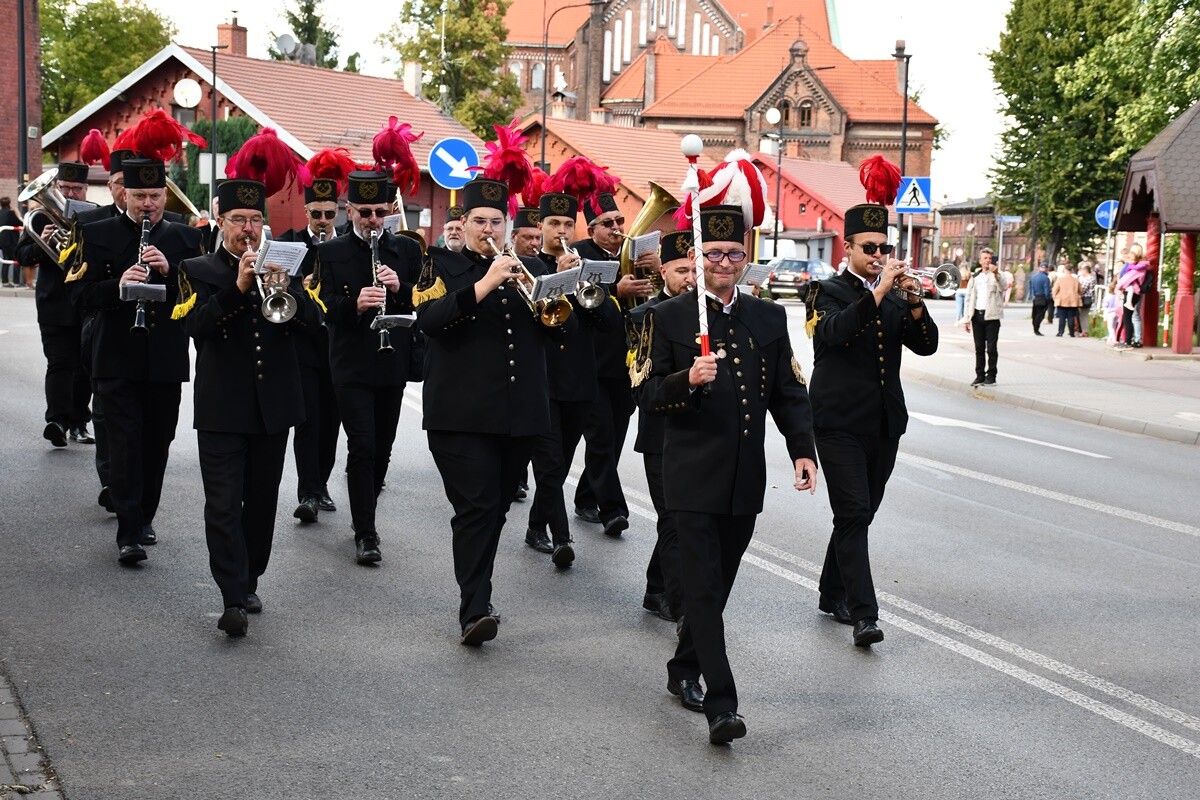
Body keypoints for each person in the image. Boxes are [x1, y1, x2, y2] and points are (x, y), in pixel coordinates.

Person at [633, 198, 817, 745]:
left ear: (745, 257)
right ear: (697, 256)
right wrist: (686, 380)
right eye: (713, 253)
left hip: (744, 476)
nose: (724, 263)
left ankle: (683, 667)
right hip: (690, 475)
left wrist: (802, 450)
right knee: (702, 588)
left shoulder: (768, 317)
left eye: (734, 253)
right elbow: (647, 394)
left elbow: (788, 391)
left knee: (719, 586)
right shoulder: (667, 317)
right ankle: (723, 705)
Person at [178, 175, 319, 637]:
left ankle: (250, 578)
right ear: (219, 221)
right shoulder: (196, 269)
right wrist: (238, 288)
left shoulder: (285, 266)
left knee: (260, 504)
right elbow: (192, 327)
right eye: (238, 219)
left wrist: (289, 289)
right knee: (222, 505)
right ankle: (232, 596)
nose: (248, 229)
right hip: (222, 408)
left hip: (273, 408)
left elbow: (314, 325)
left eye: (256, 219)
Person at [415, 176, 553, 646]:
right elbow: (429, 321)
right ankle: (474, 609)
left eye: (496, 221)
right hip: (459, 414)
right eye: (479, 221)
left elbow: (561, 333)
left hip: (519, 413)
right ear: (464, 222)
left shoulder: (530, 268)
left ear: (507, 224)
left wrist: (557, 299)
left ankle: (480, 594)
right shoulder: (439, 263)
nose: (488, 229)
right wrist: (486, 283)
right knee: (476, 507)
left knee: (495, 509)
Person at [807, 161, 938, 651]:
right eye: (870, 249)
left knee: (859, 515)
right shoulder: (825, 291)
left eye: (884, 248)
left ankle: (831, 590)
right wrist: (878, 293)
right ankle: (864, 613)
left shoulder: (898, 295)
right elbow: (833, 334)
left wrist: (916, 302)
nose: (879, 255)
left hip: (884, 422)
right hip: (838, 421)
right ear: (848, 248)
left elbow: (926, 346)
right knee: (854, 510)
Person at [68, 158, 205, 563]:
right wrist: (118, 284)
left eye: (155, 196)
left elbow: (201, 298)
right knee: (125, 445)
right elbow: (78, 295)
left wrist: (173, 272)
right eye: (140, 195)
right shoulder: (96, 233)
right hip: (115, 357)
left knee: (157, 443)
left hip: (164, 358)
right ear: (124, 193)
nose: (148, 204)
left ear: (166, 196)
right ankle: (128, 532)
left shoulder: (186, 238)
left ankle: (144, 516)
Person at [317, 171, 422, 564]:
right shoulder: (331, 251)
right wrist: (354, 305)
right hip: (351, 365)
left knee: (382, 448)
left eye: (380, 212)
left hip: (391, 362)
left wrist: (400, 289)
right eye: (365, 212)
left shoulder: (406, 249)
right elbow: (322, 305)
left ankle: (366, 509)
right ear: (350, 211)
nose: (373, 220)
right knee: (361, 445)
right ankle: (366, 531)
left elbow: (426, 299)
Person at [522, 189, 606, 568]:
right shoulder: (527, 266)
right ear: (540, 226)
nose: (561, 230)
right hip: (540, 380)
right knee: (550, 462)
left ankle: (535, 526)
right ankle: (561, 538)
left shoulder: (588, 267)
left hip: (579, 380)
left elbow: (606, 322)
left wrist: (583, 283)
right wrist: (558, 279)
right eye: (554, 223)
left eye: (568, 224)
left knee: (560, 462)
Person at [571, 190, 656, 536]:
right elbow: (577, 300)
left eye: (619, 220)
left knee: (614, 439)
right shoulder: (578, 254)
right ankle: (613, 510)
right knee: (602, 438)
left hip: (626, 365)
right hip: (590, 363)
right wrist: (615, 291)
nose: (617, 227)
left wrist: (657, 270)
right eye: (607, 223)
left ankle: (585, 498)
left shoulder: (631, 255)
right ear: (592, 230)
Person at [630, 229, 694, 626]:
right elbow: (642, 383)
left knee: (682, 518)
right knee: (673, 516)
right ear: (663, 271)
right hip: (661, 434)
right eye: (681, 270)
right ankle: (676, 599)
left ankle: (656, 588)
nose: (689, 278)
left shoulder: (707, 313)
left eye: (694, 270)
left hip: (700, 434)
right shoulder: (643, 316)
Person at [277, 161, 345, 522]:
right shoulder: (289, 243)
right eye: (316, 213)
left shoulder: (346, 245)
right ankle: (307, 492)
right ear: (306, 213)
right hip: (302, 344)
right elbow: (276, 291)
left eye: (328, 214)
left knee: (331, 421)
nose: (322, 220)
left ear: (337, 213)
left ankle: (321, 484)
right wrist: (297, 289)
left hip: (338, 345)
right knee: (307, 421)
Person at [17, 162, 95, 448]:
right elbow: (22, 255)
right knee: (59, 363)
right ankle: (58, 421)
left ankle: (79, 422)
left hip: (86, 302)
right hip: (53, 304)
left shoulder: (97, 216)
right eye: (64, 188)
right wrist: (42, 243)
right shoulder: (40, 218)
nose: (70, 193)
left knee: (85, 366)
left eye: (76, 188)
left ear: (86, 189)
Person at [963, 247, 1004, 386]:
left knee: (991, 349)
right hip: (977, 315)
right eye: (985, 258)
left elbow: (1004, 286)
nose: (988, 261)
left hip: (992, 316)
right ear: (980, 261)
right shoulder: (975, 277)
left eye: (990, 258)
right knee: (979, 348)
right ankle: (979, 375)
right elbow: (969, 298)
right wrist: (967, 319)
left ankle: (991, 376)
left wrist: (996, 273)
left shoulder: (997, 275)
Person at [1116, 244, 1148, 349]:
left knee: (1127, 318)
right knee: (1129, 317)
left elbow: (1127, 279)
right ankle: (1130, 340)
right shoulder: (1141, 266)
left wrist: (1118, 286)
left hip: (1132, 292)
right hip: (1135, 293)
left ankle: (1128, 341)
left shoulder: (1137, 268)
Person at [1053, 263, 1082, 337]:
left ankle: (1060, 332)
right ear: (1071, 270)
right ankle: (1072, 332)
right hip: (1073, 301)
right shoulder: (1076, 280)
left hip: (1062, 300)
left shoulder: (1060, 279)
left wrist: (1055, 297)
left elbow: (1055, 290)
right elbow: (1080, 290)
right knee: (1071, 317)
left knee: (1062, 317)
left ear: (1065, 270)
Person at [0, 197, 23, 287]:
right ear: (9, 203)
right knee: (16, 259)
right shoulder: (10, 213)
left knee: (6, 259)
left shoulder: (0, 213)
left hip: (2, 240)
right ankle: (16, 282)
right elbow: (20, 223)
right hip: (11, 240)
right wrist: (17, 213)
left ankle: (5, 281)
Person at [1028, 261, 1051, 336]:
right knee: (1040, 314)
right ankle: (1036, 329)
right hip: (1042, 297)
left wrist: (1032, 296)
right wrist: (1048, 298)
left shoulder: (1034, 277)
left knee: (1035, 313)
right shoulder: (1046, 278)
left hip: (1035, 297)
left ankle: (1035, 327)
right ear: (1046, 269)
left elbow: (1031, 287)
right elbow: (1046, 289)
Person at [1078, 263, 1097, 336]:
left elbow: (1083, 289)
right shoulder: (1090, 278)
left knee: (1084, 315)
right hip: (1087, 298)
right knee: (1083, 315)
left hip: (1085, 298)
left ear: (1085, 270)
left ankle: (1084, 331)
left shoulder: (1089, 278)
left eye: (1082, 270)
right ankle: (1083, 330)